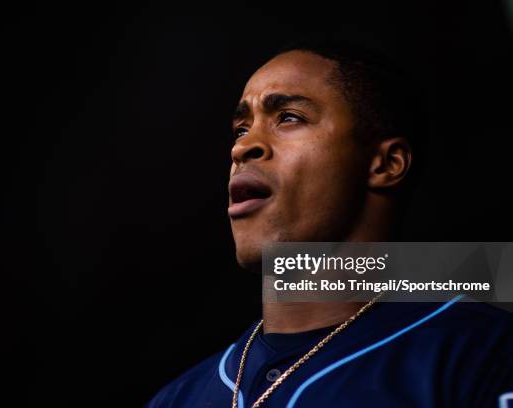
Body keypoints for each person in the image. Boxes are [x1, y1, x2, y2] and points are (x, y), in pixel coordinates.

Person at [146, 41, 513, 407]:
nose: (242, 148)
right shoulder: (176, 399)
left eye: (289, 117)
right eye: (242, 129)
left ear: (385, 164)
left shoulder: (484, 353)